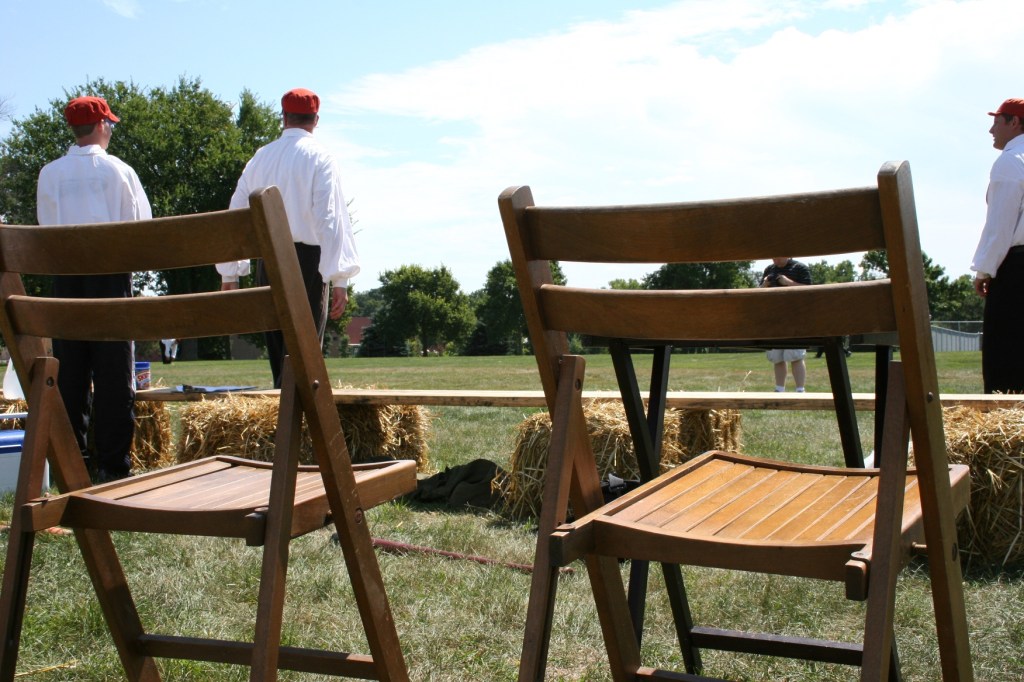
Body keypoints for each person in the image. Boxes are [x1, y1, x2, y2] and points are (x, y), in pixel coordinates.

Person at [36, 96, 152, 481]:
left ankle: (74, 466)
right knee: (114, 376)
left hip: (66, 281)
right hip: (110, 280)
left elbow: (45, 229)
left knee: (70, 376)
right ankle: (114, 467)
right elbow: (141, 231)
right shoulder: (119, 172)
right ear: (101, 125)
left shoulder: (49, 174)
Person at [218, 88, 359, 387]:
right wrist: (339, 277)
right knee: (304, 356)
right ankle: (298, 426)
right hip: (308, 261)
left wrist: (230, 272)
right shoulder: (321, 157)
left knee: (278, 353)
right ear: (316, 120)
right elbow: (329, 218)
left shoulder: (261, 157)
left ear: (283, 117)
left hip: (268, 261)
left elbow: (236, 214)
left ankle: (283, 422)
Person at [971, 98, 1024, 394]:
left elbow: (1000, 227)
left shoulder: (1010, 161)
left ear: (1014, 122)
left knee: (1006, 353)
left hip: (1017, 270)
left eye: (997, 120)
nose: (992, 129)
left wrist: (984, 270)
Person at [760, 257, 812, 392]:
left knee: (796, 355)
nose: (774, 260)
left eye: (777, 257)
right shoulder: (769, 270)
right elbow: (758, 294)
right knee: (776, 357)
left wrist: (788, 283)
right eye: (772, 257)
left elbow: (810, 291)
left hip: (794, 318)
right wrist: (764, 285)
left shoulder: (800, 268)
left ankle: (800, 390)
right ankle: (779, 389)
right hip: (773, 319)